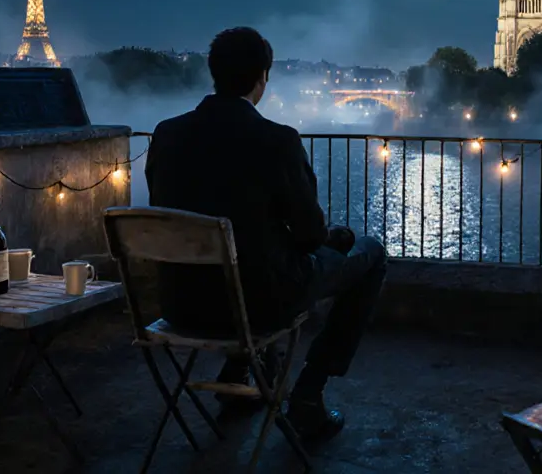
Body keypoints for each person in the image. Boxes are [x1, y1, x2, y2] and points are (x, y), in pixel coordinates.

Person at [145, 26, 387, 442]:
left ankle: (242, 371)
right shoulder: (277, 141)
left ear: (213, 73)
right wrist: (328, 237)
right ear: (263, 78)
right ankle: (307, 395)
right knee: (371, 253)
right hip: (257, 306)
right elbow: (311, 235)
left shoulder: (166, 135)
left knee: (256, 257)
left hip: (180, 303)